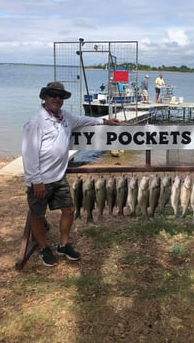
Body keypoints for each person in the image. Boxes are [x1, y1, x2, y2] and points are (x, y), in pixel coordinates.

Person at [22, 81, 120, 267]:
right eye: (53, 95)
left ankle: (63, 245)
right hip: (40, 179)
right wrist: (36, 181)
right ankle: (43, 248)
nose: (57, 99)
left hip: (59, 177)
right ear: (44, 97)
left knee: (69, 210)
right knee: (37, 215)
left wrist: (104, 121)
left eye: (60, 96)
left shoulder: (65, 116)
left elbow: (84, 120)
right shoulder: (35, 122)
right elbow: (29, 154)